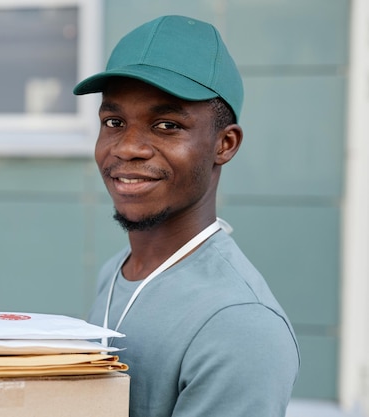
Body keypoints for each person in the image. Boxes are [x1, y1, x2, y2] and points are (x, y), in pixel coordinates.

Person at [73, 15, 300, 417]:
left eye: (166, 125)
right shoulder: (118, 271)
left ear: (224, 144)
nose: (127, 148)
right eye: (114, 122)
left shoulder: (239, 324)